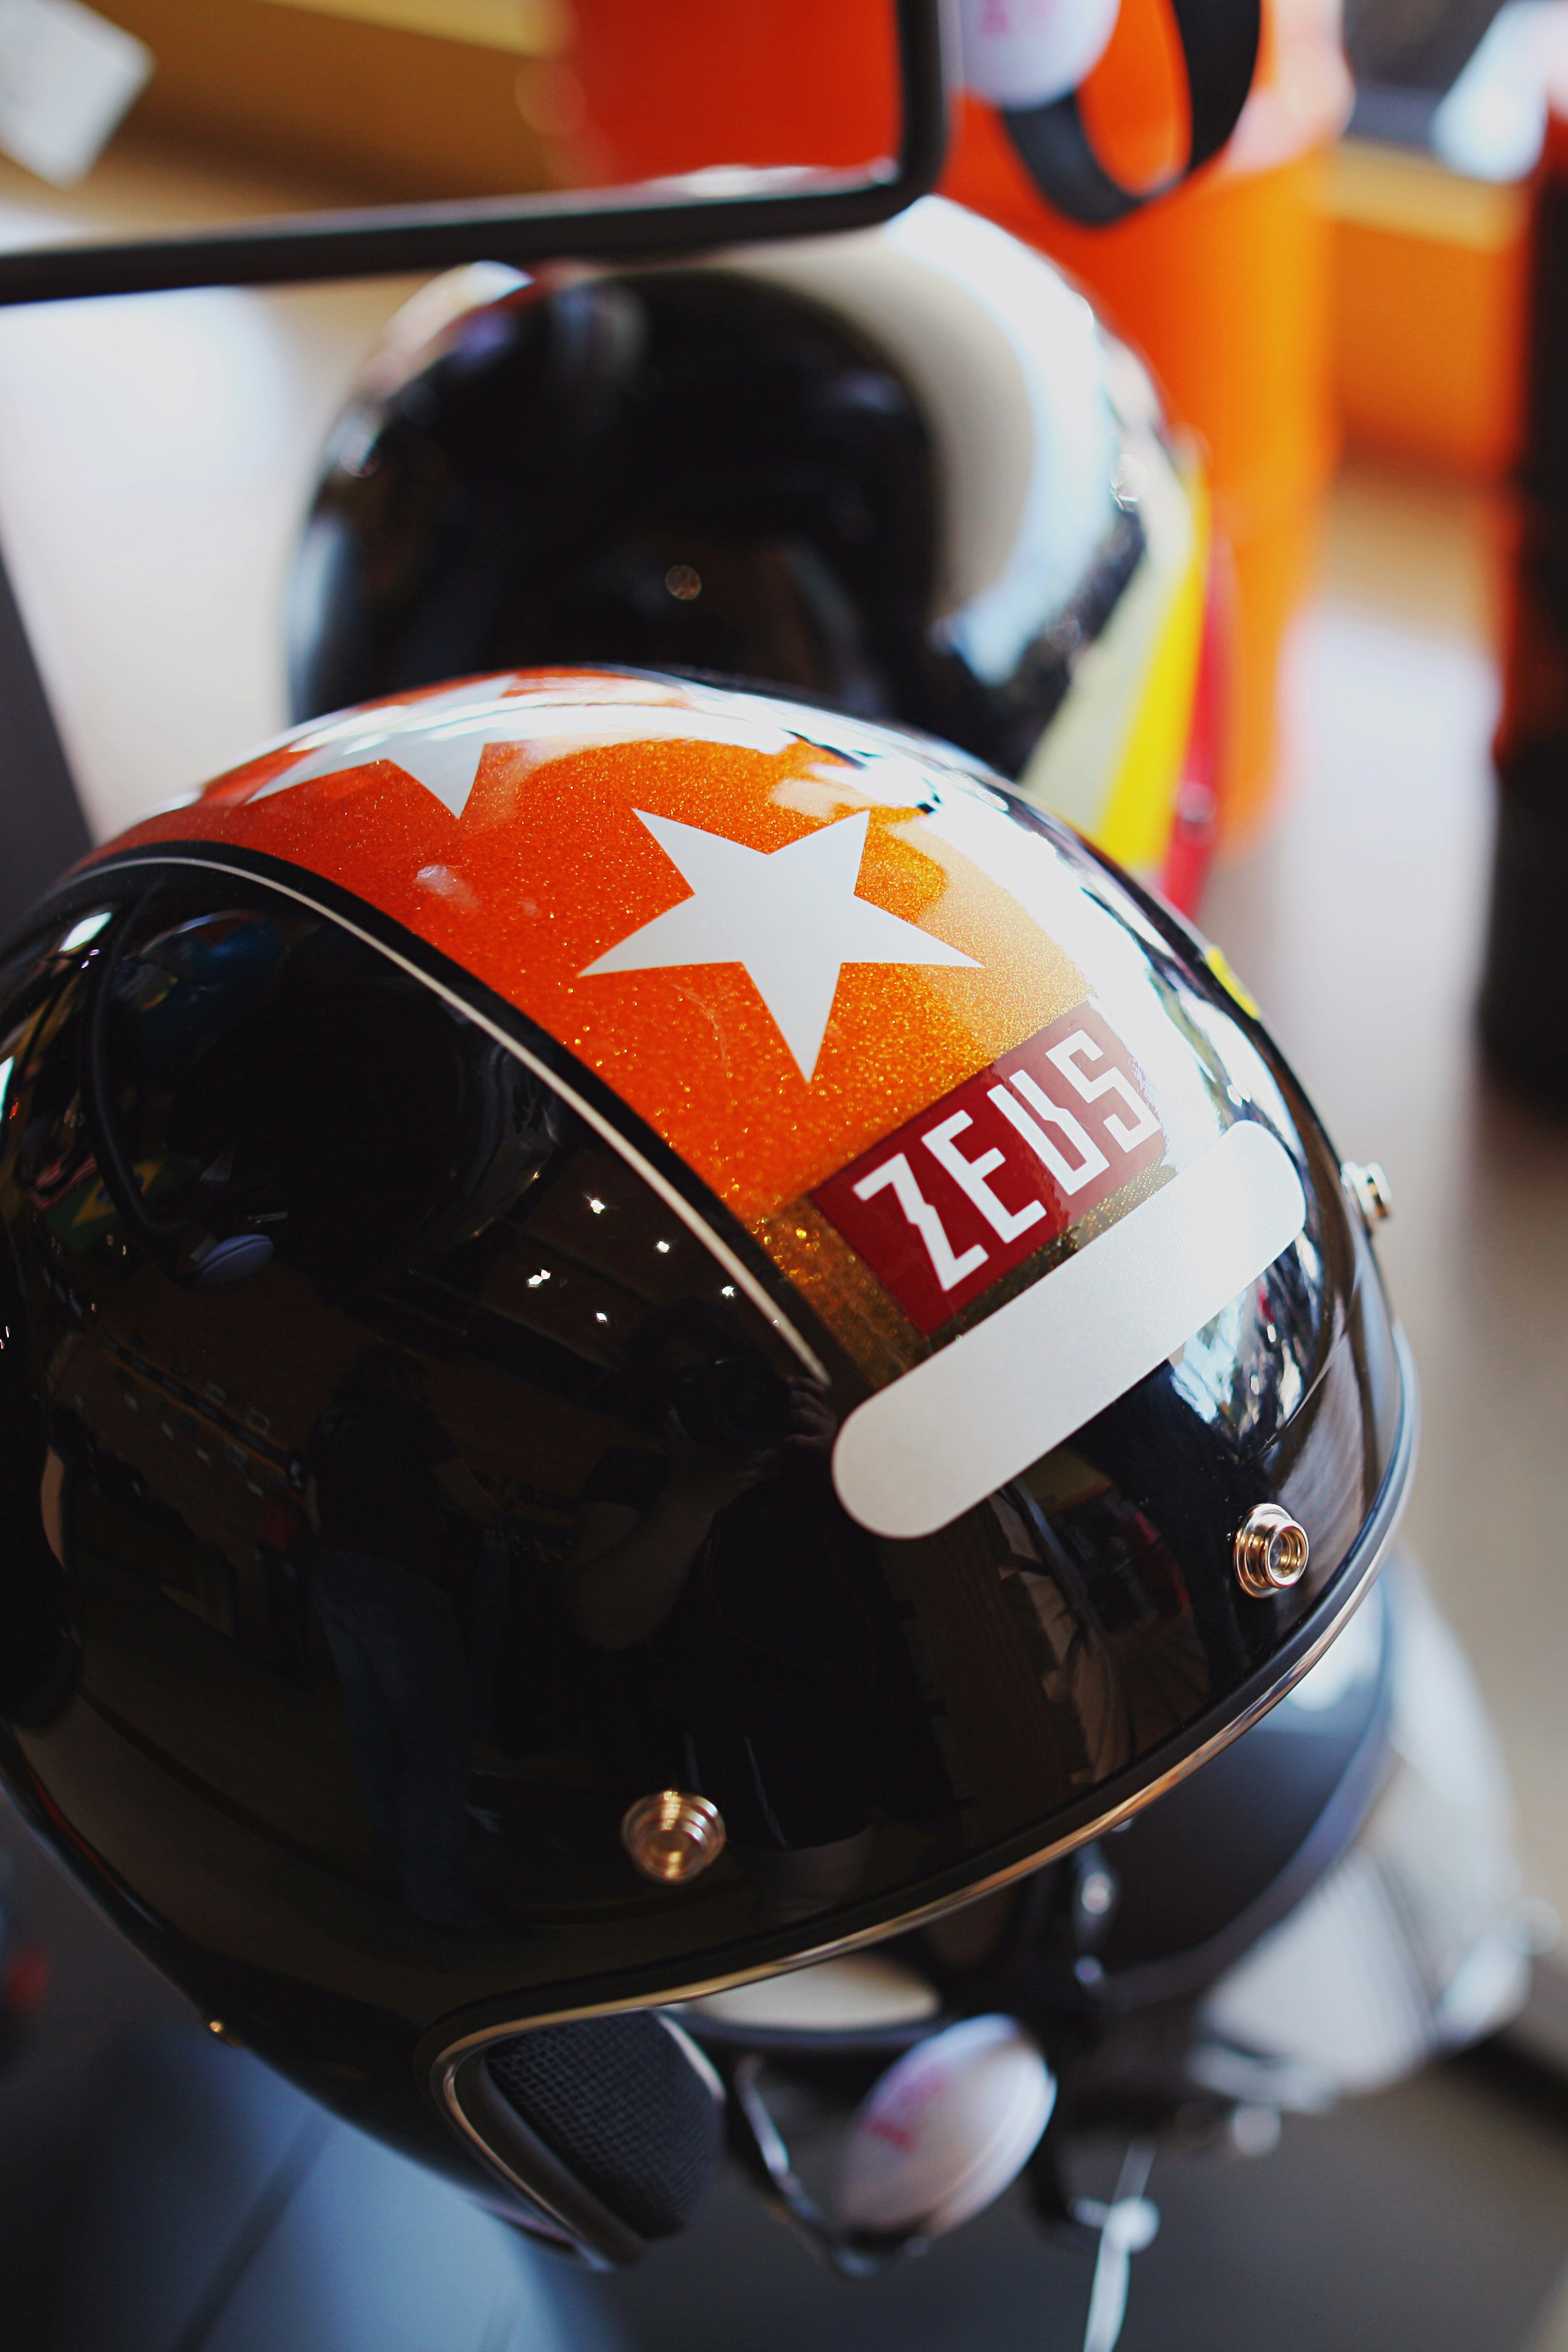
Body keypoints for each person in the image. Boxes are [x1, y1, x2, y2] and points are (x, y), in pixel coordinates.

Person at [569, 1303, 950, 1924]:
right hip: (762, 1724)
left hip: (884, 1692)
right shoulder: (638, 1475)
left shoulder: (807, 1453)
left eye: (728, 1374)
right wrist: (693, 1497)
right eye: (683, 1385)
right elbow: (606, 1621)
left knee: (931, 1842)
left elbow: (937, 1545)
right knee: (814, 1886)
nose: (715, 1397)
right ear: (656, 1405)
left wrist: (847, 1456)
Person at [307, 1344, 513, 1929]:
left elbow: (315, 1504)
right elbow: (469, 1499)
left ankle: (396, 1842)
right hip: (399, 1583)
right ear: (406, 1382)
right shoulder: (412, 1420)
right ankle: (441, 1900)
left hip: (335, 1573)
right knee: (437, 1746)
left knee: (371, 1724)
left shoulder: (331, 1421)